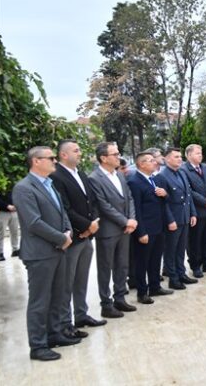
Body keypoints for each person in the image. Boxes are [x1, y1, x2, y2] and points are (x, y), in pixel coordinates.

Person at [13, 146, 75, 361]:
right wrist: (61, 238)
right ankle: (38, 345)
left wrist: (68, 231)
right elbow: (33, 222)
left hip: (58, 250)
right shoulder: (24, 188)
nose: (55, 161)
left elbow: (62, 212)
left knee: (58, 296)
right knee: (40, 301)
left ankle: (55, 334)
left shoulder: (49, 184)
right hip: (40, 253)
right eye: (50, 158)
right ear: (36, 161)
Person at [50, 140, 106, 336]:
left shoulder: (81, 174)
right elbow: (64, 208)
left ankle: (81, 315)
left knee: (81, 280)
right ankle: (66, 324)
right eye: (76, 150)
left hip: (87, 237)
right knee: (67, 282)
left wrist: (93, 225)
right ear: (64, 155)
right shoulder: (56, 176)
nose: (80, 153)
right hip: (74, 237)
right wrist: (85, 226)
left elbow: (93, 202)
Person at [88, 142, 138, 319]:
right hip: (108, 230)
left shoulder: (119, 175)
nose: (119, 157)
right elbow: (103, 205)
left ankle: (120, 298)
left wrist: (131, 219)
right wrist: (125, 221)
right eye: (115, 154)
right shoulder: (94, 178)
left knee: (122, 265)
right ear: (103, 158)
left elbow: (129, 198)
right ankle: (106, 304)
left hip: (125, 229)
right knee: (105, 267)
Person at [127, 152, 174, 305]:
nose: (155, 162)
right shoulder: (134, 182)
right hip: (146, 229)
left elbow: (164, 201)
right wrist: (141, 232)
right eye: (151, 160)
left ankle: (155, 286)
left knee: (155, 259)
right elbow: (136, 209)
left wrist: (165, 194)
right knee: (142, 262)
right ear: (141, 164)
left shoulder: (154, 179)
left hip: (159, 227)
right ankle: (142, 292)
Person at [156, 148, 198, 289]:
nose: (180, 159)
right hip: (173, 219)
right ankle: (173, 279)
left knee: (181, 249)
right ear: (167, 159)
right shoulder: (162, 176)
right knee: (171, 250)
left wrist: (192, 213)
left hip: (184, 217)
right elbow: (163, 202)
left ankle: (181, 274)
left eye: (180, 156)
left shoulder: (181, 173)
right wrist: (170, 220)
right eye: (176, 157)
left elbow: (188, 195)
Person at [181, 144, 206, 278]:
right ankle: (195, 265)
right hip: (196, 211)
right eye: (197, 153)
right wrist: (204, 201)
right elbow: (188, 190)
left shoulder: (205, 167)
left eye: (201, 153)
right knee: (194, 240)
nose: (200, 155)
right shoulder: (184, 170)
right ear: (189, 155)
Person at [0, 187, 20, 260]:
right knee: (1, 233)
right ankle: (0, 253)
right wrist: (7, 206)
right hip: (2, 212)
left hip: (14, 211)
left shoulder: (12, 184)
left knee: (15, 231)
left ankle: (15, 249)